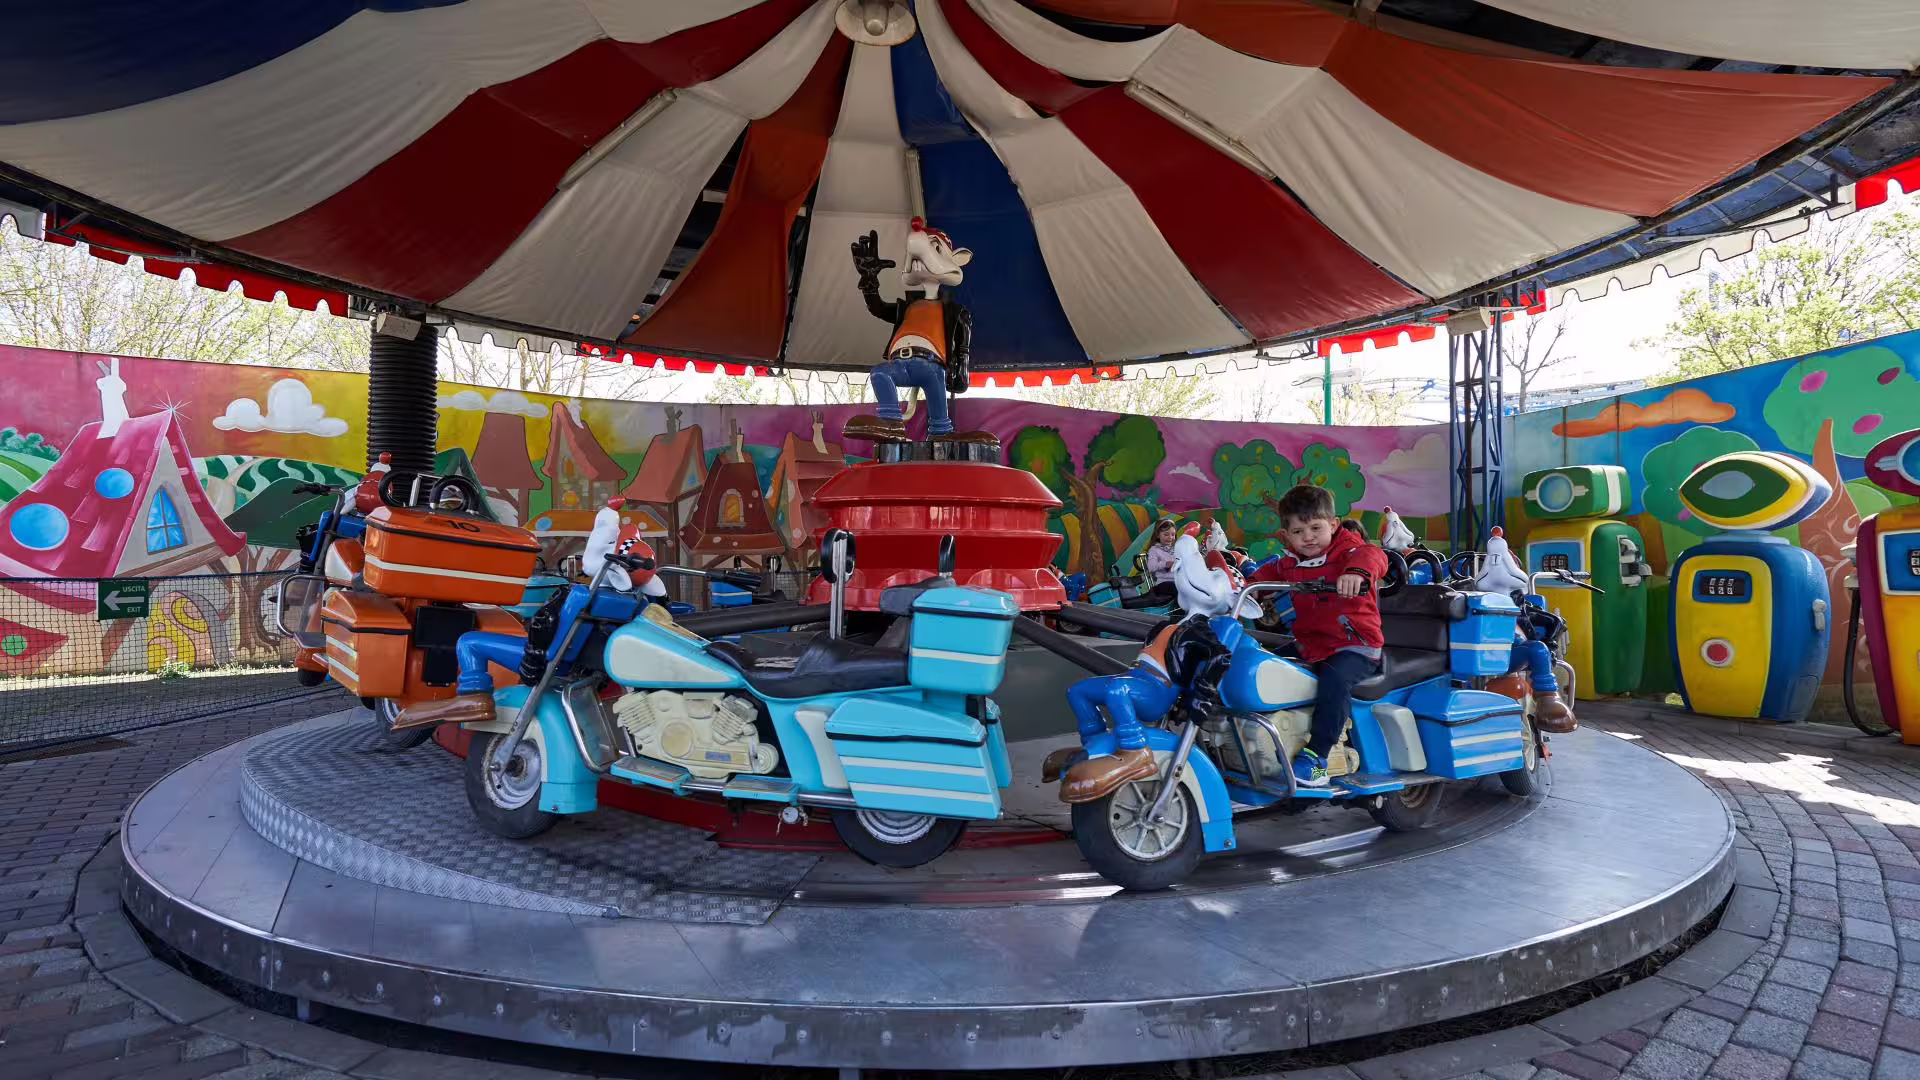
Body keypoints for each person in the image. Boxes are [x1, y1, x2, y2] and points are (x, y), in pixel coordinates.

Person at [1246, 484, 1387, 788]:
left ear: (1333, 525)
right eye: (1298, 531)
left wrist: (1358, 573)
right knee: (1263, 663)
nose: (1307, 537)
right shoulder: (1290, 562)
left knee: (1335, 679)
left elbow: (1372, 555)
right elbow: (1264, 576)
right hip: (1312, 644)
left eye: (1315, 528)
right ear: (1287, 534)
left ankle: (1318, 756)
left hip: (1355, 644)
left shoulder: (1349, 551)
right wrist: (1240, 587)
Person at [1141, 518, 1179, 599]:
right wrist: (1165, 564)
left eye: (1173, 535)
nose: (1170, 537)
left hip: (1177, 581)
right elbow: (1151, 567)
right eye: (1166, 534)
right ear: (1158, 535)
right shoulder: (1154, 550)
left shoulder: (1175, 549)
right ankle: (1180, 611)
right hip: (1163, 583)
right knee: (1178, 588)